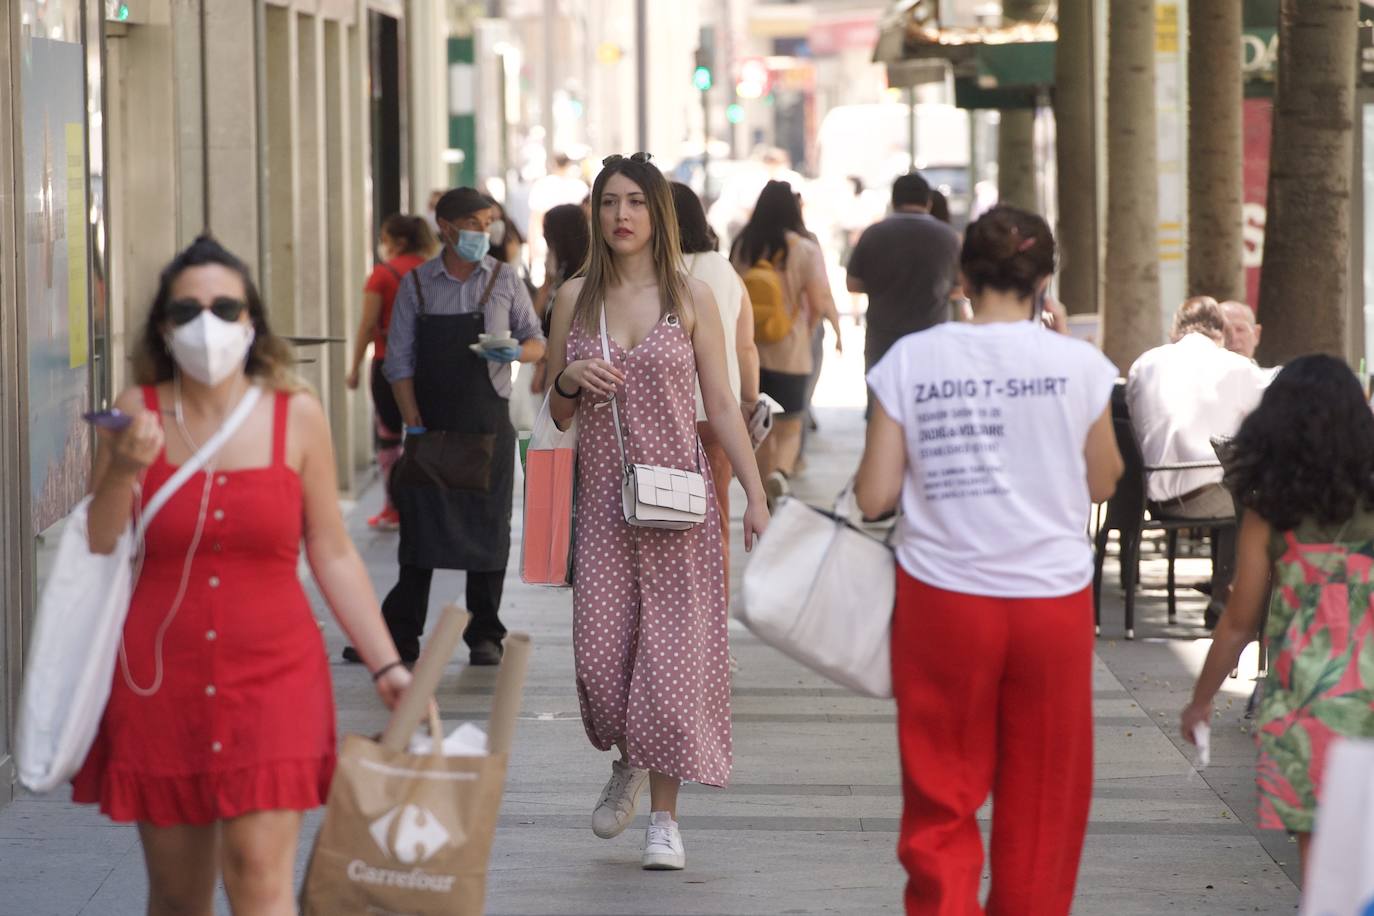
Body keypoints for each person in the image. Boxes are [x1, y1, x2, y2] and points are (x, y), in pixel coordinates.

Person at [73, 236, 413, 913]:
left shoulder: (296, 414)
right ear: (162, 327)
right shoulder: (135, 410)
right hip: (159, 678)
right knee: (178, 895)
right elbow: (101, 540)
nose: (208, 324)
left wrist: (387, 664)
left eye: (225, 308)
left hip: (274, 676)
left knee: (260, 877)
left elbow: (332, 549)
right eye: (187, 310)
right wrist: (122, 470)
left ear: (252, 321)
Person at [855, 206, 1123, 916]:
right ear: (1044, 281)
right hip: (1052, 604)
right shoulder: (1079, 364)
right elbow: (1103, 481)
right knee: (1043, 797)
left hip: (942, 599)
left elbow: (875, 495)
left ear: (963, 277)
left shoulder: (912, 359)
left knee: (941, 790)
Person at [543, 153, 769, 871]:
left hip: (679, 507)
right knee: (600, 667)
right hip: (602, 511)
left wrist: (756, 495)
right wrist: (569, 378)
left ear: (658, 214)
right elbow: (554, 412)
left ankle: (664, 823)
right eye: (610, 202)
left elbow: (722, 404)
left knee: (671, 669)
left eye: (636, 202)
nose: (622, 215)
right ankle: (629, 758)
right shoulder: (574, 299)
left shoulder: (690, 297)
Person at [1181, 354, 1374, 878]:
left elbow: (1239, 622)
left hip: (1304, 702)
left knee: (1319, 864)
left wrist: (1201, 701)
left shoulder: (1270, 512)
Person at [349, 187, 546, 668]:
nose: (485, 232)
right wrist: (411, 420)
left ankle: (485, 633)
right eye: (475, 223)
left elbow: (537, 340)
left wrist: (515, 352)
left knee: (489, 530)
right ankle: (401, 634)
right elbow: (398, 362)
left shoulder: (503, 278)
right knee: (419, 531)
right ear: (447, 227)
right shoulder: (417, 285)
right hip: (431, 427)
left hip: (487, 423)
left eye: (489, 223)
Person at [1126, 296, 1272, 625]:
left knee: (1228, 484)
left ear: (1174, 329)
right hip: (1197, 496)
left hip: (1145, 496)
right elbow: (1270, 416)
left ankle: (1225, 584)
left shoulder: (1144, 363)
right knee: (1253, 496)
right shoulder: (1234, 366)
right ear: (1221, 331)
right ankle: (1230, 596)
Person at [671, 180, 761, 592]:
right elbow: (746, 346)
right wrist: (749, 402)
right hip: (717, 415)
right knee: (717, 521)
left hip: (665, 417)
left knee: (659, 520)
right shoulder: (724, 270)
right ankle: (715, 623)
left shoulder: (652, 271)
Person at [729, 180, 841, 508]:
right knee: (790, 425)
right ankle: (780, 471)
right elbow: (818, 299)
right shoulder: (804, 248)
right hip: (791, 352)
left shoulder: (743, 246)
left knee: (760, 425)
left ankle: (763, 494)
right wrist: (809, 328)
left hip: (748, 351)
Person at [346, 214, 437, 530]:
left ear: (398, 242)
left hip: (388, 365)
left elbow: (367, 325)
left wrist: (354, 367)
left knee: (389, 437)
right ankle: (425, 505)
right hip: (427, 365)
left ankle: (394, 507)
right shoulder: (433, 271)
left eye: (384, 239)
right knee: (424, 433)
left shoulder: (382, 275)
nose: (381, 245)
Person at [846, 171, 962, 375]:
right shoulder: (948, 237)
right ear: (928, 202)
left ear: (893, 200)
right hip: (930, 340)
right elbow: (960, 289)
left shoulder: (874, 234)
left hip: (883, 341)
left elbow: (852, 284)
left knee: (882, 393)